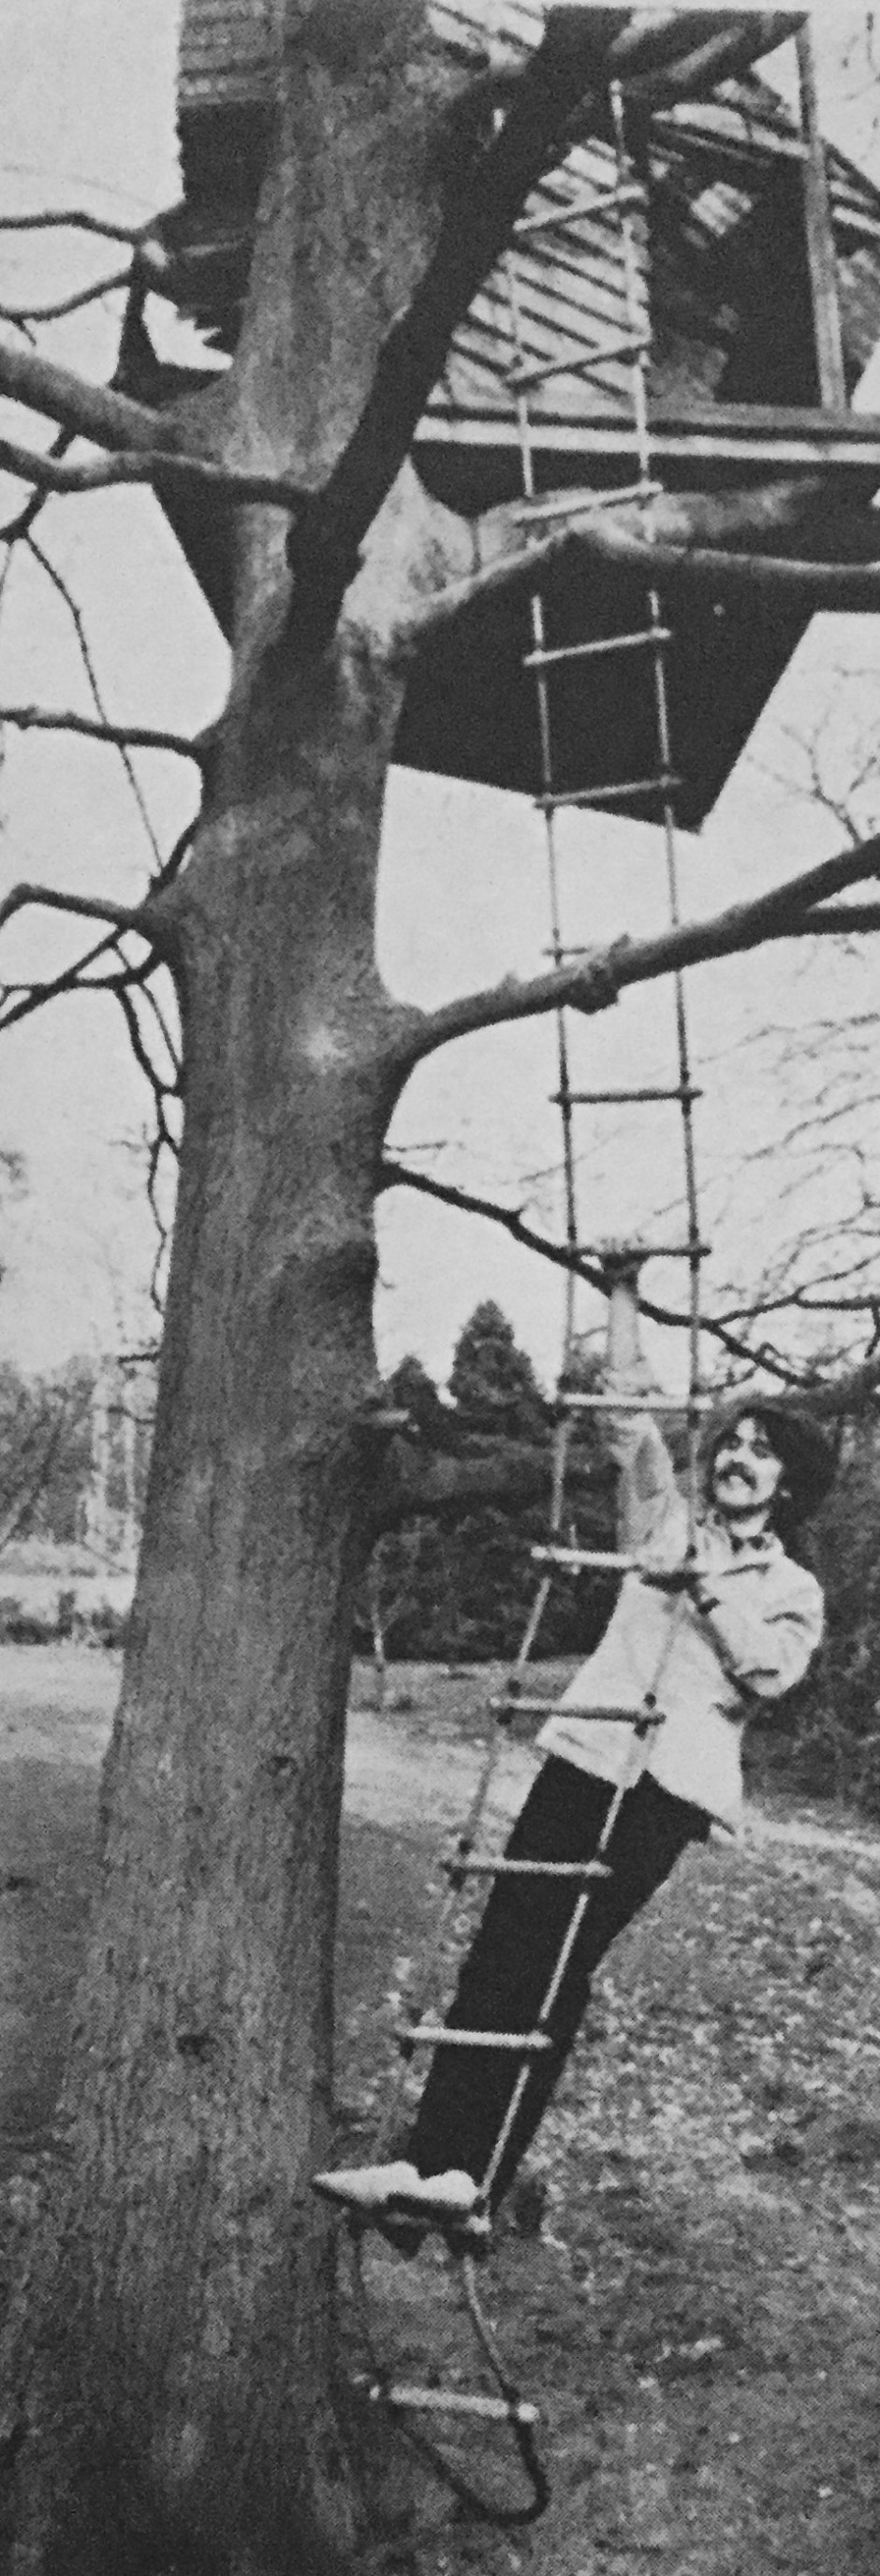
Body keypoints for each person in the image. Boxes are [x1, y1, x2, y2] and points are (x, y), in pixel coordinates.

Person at [316, 1253, 833, 2242]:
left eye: (762, 1453)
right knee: (499, 1951)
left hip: (664, 1789)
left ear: (787, 1484)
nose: (738, 1457)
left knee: (557, 1968)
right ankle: (422, 2169)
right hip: (588, 1754)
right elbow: (624, 1416)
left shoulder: (790, 1587)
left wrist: (706, 1588)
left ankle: (475, 2178)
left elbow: (766, 1673)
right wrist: (623, 1294)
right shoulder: (663, 1517)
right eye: (735, 1442)